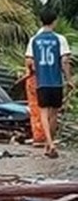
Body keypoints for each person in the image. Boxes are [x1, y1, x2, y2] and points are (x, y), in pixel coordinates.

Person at [25, 8, 71, 158]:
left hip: (42, 82)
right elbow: (65, 60)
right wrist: (69, 79)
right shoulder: (60, 39)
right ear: (55, 21)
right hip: (56, 82)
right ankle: (50, 143)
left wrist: (32, 71)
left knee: (43, 113)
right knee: (54, 114)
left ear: (41, 21)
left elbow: (29, 61)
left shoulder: (34, 40)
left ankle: (49, 143)